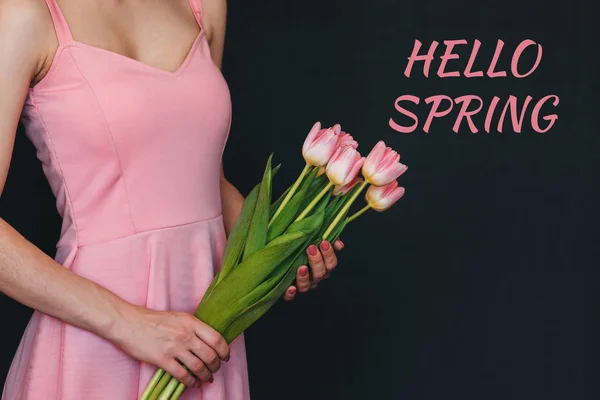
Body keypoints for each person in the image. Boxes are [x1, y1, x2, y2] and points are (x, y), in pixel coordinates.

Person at [0, 0, 343, 398]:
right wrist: (128, 325)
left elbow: (203, 181)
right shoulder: (26, 13)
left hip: (205, 332)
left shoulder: (203, 5)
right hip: (94, 332)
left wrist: (282, 251)